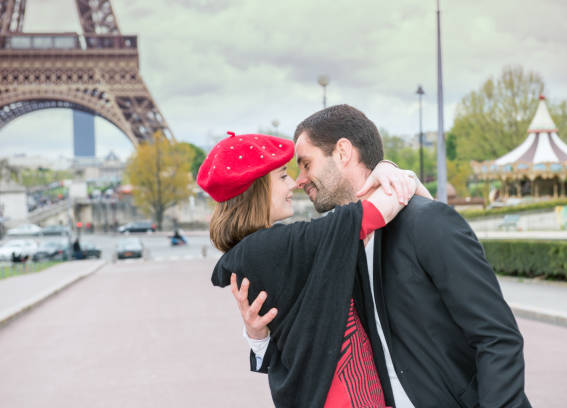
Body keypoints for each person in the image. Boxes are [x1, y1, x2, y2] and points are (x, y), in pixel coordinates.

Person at [236, 105, 532, 408]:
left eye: (306, 164)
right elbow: (306, 342)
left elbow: (497, 338)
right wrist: (257, 337)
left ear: (342, 152)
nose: (300, 180)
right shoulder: (336, 246)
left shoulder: (427, 222)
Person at [199, 131, 428, 407]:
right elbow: (374, 212)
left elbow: (285, 344)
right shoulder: (274, 246)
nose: (294, 184)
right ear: (258, 188)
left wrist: (256, 337)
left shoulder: (250, 254)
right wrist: (401, 176)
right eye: (283, 176)